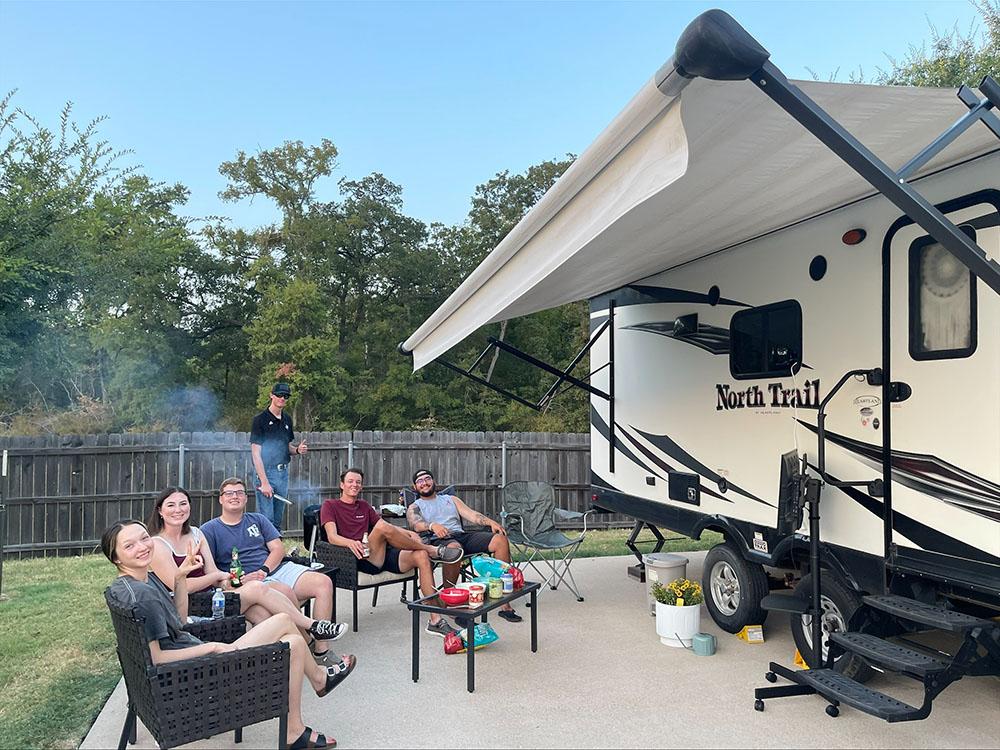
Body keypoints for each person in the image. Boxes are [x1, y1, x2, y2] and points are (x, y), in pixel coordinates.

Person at [102, 519, 355, 750]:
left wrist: (180, 576)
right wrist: (212, 648)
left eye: (144, 538)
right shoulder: (143, 597)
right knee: (286, 625)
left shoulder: (134, 583)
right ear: (116, 557)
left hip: (187, 666)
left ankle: (297, 726)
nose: (143, 547)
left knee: (293, 640)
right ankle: (316, 684)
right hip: (197, 674)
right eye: (130, 545)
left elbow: (179, 621)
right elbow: (156, 658)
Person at [147, 485, 347, 641]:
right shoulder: (158, 545)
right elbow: (182, 586)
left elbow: (215, 574)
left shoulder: (196, 534)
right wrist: (218, 577)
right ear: (160, 511)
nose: (178, 510)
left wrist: (228, 581)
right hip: (191, 607)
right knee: (259, 589)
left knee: (271, 618)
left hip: (217, 596)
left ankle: (308, 656)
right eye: (171, 505)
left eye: (183, 504)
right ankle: (313, 626)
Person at [200, 477, 342, 664]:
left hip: (273, 569)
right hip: (244, 582)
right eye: (229, 493)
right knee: (284, 592)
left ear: (245, 498)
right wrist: (236, 580)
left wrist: (264, 569)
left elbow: (277, 549)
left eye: (240, 492)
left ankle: (321, 650)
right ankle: (307, 643)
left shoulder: (258, 519)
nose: (235, 496)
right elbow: (210, 570)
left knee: (323, 582)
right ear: (220, 499)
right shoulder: (209, 530)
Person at [319, 467, 465, 638]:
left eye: (358, 482)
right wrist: (351, 542)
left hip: (381, 553)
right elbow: (332, 536)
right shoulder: (330, 505)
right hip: (358, 557)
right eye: (350, 481)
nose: (355, 485)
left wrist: (409, 533)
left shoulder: (364, 506)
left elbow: (388, 527)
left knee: (420, 556)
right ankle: (432, 549)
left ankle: (435, 620)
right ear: (341, 485)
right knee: (383, 529)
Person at [406, 468, 523, 623]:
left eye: (427, 478)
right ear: (415, 487)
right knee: (454, 550)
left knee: (499, 540)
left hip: (461, 535)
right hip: (437, 540)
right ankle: (450, 602)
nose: (424, 483)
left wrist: (490, 522)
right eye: (419, 481)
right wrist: (433, 526)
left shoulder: (450, 499)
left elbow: (472, 515)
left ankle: (504, 603)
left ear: (434, 482)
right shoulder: (415, 506)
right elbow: (416, 524)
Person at [250, 382, 307, 531]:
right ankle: (263, 552)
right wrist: (264, 482)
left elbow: (286, 447)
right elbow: (256, 454)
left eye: (286, 396)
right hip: (266, 473)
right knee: (266, 519)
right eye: (279, 395)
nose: (282, 398)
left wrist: (297, 450)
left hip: (282, 474)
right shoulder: (260, 420)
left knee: (277, 519)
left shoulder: (287, 420)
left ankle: (276, 551)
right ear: (271, 395)